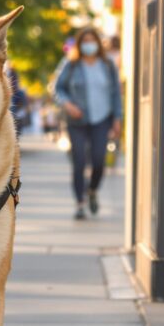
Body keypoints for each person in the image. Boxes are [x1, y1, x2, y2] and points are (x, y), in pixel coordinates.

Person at [55, 27, 122, 220]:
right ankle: (80, 203)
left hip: (102, 120)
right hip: (77, 120)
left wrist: (117, 118)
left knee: (99, 160)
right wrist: (68, 105)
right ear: (79, 44)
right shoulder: (72, 64)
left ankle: (92, 190)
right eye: (85, 41)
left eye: (92, 40)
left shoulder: (108, 65)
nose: (89, 45)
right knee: (79, 162)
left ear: (98, 44)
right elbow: (58, 88)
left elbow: (115, 94)